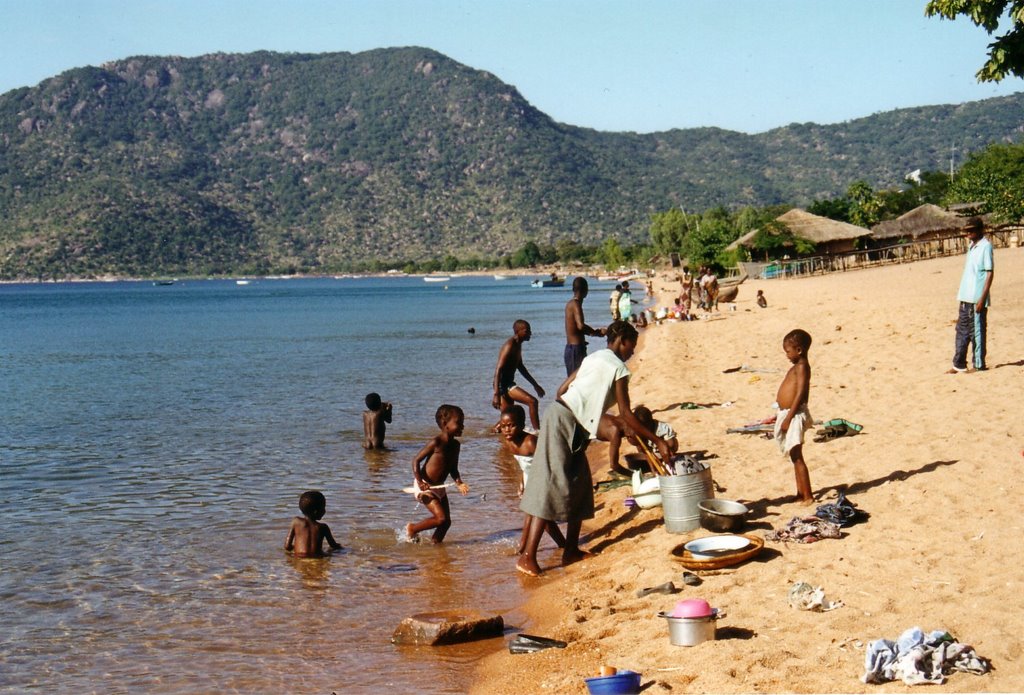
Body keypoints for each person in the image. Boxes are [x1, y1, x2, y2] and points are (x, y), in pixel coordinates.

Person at [516, 321, 672, 577]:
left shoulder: (595, 357)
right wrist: (658, 441)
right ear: (621, 340)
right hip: (565, 423)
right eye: (632, 344)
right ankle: (528, 557)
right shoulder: (619, 368)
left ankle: (570, 551)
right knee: (551, 486)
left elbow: (562, 389)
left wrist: (585, 411)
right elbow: (626, 413)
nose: (632, 350)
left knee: (580, 486)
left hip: (564, 418)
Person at [498, 405, 566, 553]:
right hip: (531, 476)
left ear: (522, 425)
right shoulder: (509, 442)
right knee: (542, 516)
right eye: (503, 426)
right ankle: (562, 544)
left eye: (511, 425)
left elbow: (549, 461)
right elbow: (524, 465)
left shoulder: (530, 442)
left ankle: (523, 546)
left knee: (535, 512)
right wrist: (522, 482)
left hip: (544, 476)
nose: (507, 430)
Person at [407, 405, 470, 543]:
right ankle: (413, 529)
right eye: (459, 423)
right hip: (425, 487)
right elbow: (416, 461)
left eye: (463, 423)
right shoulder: (436, 442)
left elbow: (453, 468)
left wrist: (459, 482)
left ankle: (435, 545)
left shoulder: (456, 446)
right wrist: (420, 482)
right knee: (440, 518)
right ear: (444, 424)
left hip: (439, 487)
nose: (462, 426)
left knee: (446, 522)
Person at [948, 217, 993, 373]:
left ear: (980, 230)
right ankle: (958, 364)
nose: (968, 233)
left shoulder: (986, 246)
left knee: (977, 332)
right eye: (967, 230)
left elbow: (989, 273)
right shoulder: (971, 246)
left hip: (976, 297)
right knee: (961, 331)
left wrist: (982, 298)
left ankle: (979, 364)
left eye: (971, 230)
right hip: (965, 295)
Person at [774, 329, 814, 505]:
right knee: (793, 454)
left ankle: (808, 496)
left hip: (794, 414)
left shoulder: (802, 366)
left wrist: (789, 418)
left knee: (797, 455)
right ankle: (800, 492)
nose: (786, 355)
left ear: (799, 350)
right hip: (788, 413)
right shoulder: (796, 367)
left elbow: (800, 393)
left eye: (788, 351)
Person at [492, 320, 546, 430]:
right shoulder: (510, 345)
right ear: (518, 331)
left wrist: (535, 385)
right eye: (527, 331)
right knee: (532, 401)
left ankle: (491, 433)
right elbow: (498, 369)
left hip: (507, 383)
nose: (530, 333)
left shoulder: (518, 345)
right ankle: (538, 433)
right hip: (504, 385)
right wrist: (497, 393)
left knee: (509, 416)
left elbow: (520, 367)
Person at [607, 405, 680, 476]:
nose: (643, 430)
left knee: (671, 457)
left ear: (651, 422)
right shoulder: (638, 432)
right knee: (644, 454)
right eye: (640, 427)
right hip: (652, 453)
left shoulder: (662, 428)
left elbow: (671, 444)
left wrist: (662, 445)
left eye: (645, 427)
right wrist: (653, 469)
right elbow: (643, 451)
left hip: (666, 451)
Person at [564, 277, 605, 376]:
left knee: (578, 380)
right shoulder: (575, 304)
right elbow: (580, 326)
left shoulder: (571, 303)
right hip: (575, 349)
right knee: (576, 381)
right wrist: (597, 333)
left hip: (574, 348)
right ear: (586, 291)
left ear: (573, 289)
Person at [285, 490, 342, 558]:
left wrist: (296, 548)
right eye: (323, 508)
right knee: (330, 552)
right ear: (316, 512)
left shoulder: (296, 521)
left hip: (299, 558)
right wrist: (342, 547)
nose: (325, 511)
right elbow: (333, 545)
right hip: (317, 558)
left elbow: (287, 546)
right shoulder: (323, 527)